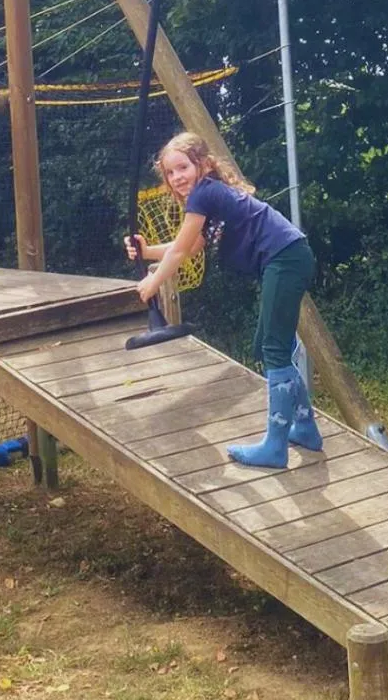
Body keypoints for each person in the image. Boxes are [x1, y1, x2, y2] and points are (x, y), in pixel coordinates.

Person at [125, 131, 321, 468]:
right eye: (170, 173)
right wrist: (146, 251)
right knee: (273, 345)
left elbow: (183, 249)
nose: (176, 178)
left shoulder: (205, 193)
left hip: (285, 258)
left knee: (273, 350)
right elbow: (191, 246)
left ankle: (276, 446)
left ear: (202, 164)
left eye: (182, 167)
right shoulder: (208, 197)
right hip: (288, 257)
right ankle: (304, 427)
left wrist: (153, 281)